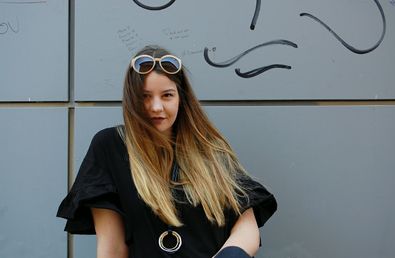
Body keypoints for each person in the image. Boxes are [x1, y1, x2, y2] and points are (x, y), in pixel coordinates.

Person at [57, 45, 277, 258]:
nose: (156, 107)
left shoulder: (209, 148)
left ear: (181, 98)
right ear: (132, 100)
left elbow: (247, 225)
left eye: (167, 95)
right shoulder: (110, 146)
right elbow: (112, 248)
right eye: (144, 96)